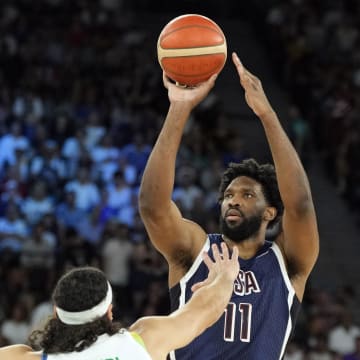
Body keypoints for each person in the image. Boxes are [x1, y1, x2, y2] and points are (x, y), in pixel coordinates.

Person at [138, 52, 320, 359]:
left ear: (270, 212)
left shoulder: (288, 262)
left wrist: (267, 115)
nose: (233, 200)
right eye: (229, 195)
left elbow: (300, 205)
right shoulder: (195, 249)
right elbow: (152, 207)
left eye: (247, 195)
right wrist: (180, 108)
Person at [0, 242, 239, 360]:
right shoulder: (143, 341)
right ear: (109, 312)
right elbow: (203, 312)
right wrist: (225, 276)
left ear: (55, 314)